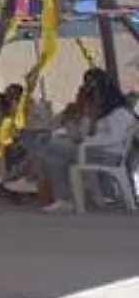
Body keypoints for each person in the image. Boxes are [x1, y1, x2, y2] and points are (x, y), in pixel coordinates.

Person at [35, 68, 138, 213]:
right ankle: (64, 198)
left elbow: (113, 138)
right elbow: (90, 132)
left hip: (106, 154)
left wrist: (85, 141)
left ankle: (64, 198)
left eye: (97, 94)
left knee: (53, 148)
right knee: (51, 154)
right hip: (93, 150)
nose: (96, 98)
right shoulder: (104, 113)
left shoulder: (120, 112)